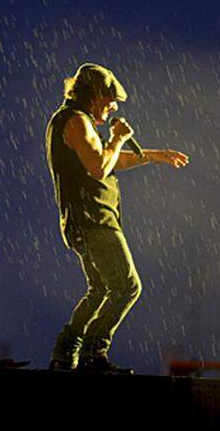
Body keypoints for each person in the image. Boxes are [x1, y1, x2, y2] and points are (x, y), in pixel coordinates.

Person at [45, 63, 189, 373]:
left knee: (99, 289)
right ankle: (93, 355)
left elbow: (108, 163)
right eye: (111, 101)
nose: (112, 109)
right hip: (93, 220)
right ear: (96, 94)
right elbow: (99, 166)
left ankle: (64, 354)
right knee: (127, 286)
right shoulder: (75, 122)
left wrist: (153, 155)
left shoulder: (75, 121)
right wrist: (118, 138)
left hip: (84, 221)